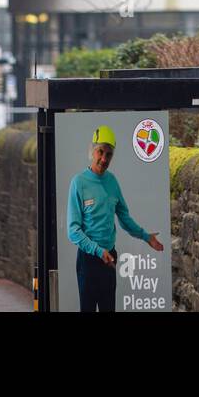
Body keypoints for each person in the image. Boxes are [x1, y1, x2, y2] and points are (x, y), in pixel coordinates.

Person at [66, 124, 164, 312]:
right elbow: (73, 231)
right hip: (89, 260)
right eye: (100, 152)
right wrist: (97, 250)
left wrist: (146, 237)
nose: (104, 159)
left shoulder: (112, 182)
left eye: (109, 155)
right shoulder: (78, 183)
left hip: (109, 258)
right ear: (91, 151)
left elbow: (124, 217)